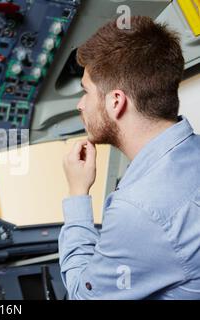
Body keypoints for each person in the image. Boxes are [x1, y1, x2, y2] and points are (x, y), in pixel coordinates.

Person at [59, 15, 200, 299]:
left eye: (86, 92)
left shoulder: (140, 210)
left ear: (115, 102)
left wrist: (77, 192)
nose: (80, 104)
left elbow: (81, 296)